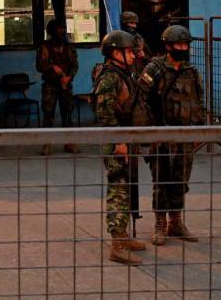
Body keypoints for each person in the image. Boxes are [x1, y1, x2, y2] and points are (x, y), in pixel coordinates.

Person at [138, 25, 205, 245]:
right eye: (179, 44)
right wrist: (150, 132)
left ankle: (176, 221)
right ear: (168, 46)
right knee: (161, 179)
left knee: (181, 179)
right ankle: (160, 223)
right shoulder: (154, 69)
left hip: (185, 137)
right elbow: (141, 101)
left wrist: (199, 128)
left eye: (186, 44)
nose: (183, 48)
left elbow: (198, 102)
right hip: (162, 136)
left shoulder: (191, 72)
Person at [94, 30, 146, 265]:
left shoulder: (123, 74)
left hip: (126, 138)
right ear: (115, 53)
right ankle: (117, 244)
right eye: (128, 52)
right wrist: (119, 142)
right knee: (118, 190)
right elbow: (104, 113)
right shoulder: (109, 78)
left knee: (126, 188)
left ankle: (123, 235)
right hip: (117, 142)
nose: (134, 56)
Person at [36, 19, 79, 155]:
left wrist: (68, 77)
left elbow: (74, 65)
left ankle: (69, 143)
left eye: (63, 30)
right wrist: (52, 67)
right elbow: (39, 66)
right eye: (58, 30)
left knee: (67, 114)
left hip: (66, 85)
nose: (61, 33)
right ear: (51, 32)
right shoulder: (45, 47)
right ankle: (47, 144)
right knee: (48, 115)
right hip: (50, 86)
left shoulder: (69, 47)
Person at [120, 11, 151, 75]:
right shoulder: (119, 40)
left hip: (138, 75)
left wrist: (144, 56)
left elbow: (150, 58)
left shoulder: (139, 39)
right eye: (131, 23)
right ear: (124, 24)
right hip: (125, 74)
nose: (134, 26)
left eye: (135, 23)